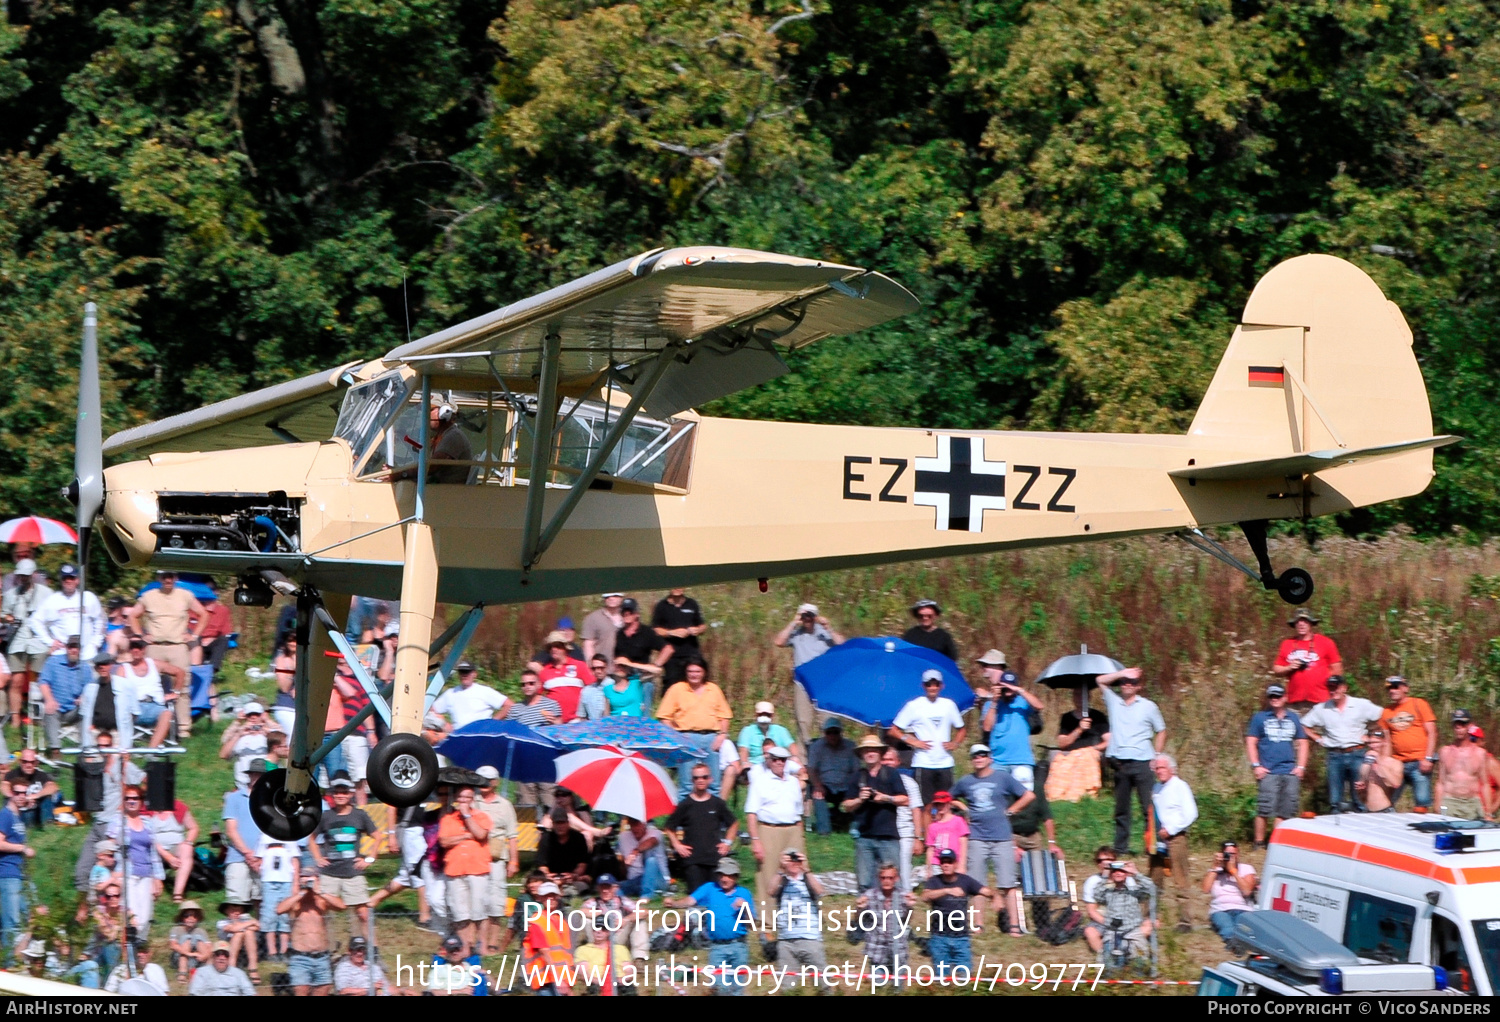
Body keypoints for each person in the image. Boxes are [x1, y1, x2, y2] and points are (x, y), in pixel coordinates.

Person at [950, 743, 1032, 934]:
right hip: (977, 837)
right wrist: (963, 808)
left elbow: (1028, 796)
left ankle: (1014, 925)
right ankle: (978, 925)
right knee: (977, 883)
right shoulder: (965, 781)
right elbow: (948, 797)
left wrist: (1011, 810)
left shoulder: (1003, 777)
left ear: (990, 758)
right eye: (975, 756)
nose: (979, 758)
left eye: (982, 755)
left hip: (1002, 837)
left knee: (1008, 883)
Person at [1096, 666, 1166, 853]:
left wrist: (1157, 756)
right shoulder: (1114, 701)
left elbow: (1161, 730)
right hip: (1120, 763)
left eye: (1132, 682)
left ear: (1139, 686)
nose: (1127, 685)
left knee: (1148, 808)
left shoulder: (1148, 706)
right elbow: (1100, 680)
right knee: (1122, 810)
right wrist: (1123, 673)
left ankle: (1154, 846)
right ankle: (1120, 848)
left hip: (1143, 762)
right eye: (1124, 682)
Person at [130, 571, 207, 739]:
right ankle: (151, 727)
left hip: (178, 646)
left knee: (182, 688)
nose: (167, 580)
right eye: (164, 577)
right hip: (154, 646)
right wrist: (141, 636)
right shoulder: (149, 596)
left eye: (170, 576)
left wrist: (194, 636)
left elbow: (203, 614)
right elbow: (133, 615)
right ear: (159, 578)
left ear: (175, 578)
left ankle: (183, 729)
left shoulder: (185, 595)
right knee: (149, 685)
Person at [666, 857, 755, 996]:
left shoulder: (744, 893)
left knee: (737, 989)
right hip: (717, 947)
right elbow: (690, 900)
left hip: (739, 946)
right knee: (719, 988)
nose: (724, 879)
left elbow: (751, 924)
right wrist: (674, 903)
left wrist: (745, 908)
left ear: (735, 877)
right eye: (721, 875)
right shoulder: (709, 888)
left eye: (728, 875)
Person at [1301, 674, 1383, 812]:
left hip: (1357, 754)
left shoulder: (1360, 704)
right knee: (1335, 801)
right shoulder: (1322, 709)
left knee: (1360, 798)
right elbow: (1303, 725)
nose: (1333, 691)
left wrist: (1372, 736)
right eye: (1330, 688)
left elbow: (1384, 716)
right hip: (1335, 756)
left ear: (1344, 688)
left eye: (1336, 687)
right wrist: (1318, 738)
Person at [656, 659, 732, 797]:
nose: (694, 675)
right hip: (687, 738)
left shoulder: (713, 689)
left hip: (711, 739)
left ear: (704, 672)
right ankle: (684, 817)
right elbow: (664, 717)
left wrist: (722, 735)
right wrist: (676, 737)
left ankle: (711, 816)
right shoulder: (677, 689)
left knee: (713, 783)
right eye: (690, 671)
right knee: (687, 784)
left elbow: (725, 716)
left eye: (697, 671)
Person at [889, 669, 967, 804]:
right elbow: (894, 730)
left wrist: (955, 743)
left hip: (945, 762)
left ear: (941, 686)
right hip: (923, 762)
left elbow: (961, 729)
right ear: (923, 686)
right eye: (929, 684)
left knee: (946, 802)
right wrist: (911, 741)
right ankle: (928, 826)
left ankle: (944, 826)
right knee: (927, 804)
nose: (932, 687)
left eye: (936, 684)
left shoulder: (949, 705)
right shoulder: (914, 705)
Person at [1245, 683, 1310, 845]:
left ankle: (1276, 842)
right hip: (1268, 771)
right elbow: (1251, 741)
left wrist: (1301, 767)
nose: (1275, 699)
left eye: (1278, 696)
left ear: (1285, 698)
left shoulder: (1293, 717)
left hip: (1290, 771)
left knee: (1286, 809)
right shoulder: (1260, 717)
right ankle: (1259, 842)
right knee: (1264, 808)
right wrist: (1256, 765)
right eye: (1271, 696)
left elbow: (1303, 742)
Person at [745, 745, 805, 918]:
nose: (779, 763)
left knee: (797, 872)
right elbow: (751, 813)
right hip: (769, 830)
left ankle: (797, 914)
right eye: (775, 759)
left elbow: (799, 811)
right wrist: (755, 839)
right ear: (769, 761)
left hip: (792, 829)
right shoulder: (760, 781)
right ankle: (768, 920)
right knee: (768, 874)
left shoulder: (793, 782)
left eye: (783, 760)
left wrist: (800, 836)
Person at [773, 603, 845, 747]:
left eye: (810, 616)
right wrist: (793, 622)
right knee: (803, 722)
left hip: (824, 682)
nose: (808, 619)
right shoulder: (796, 633)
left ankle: (829, 755)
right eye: (804, 616)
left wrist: (828, 627)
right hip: (802, 682)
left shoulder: (824, 633)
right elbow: (778, 641)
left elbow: (843, 644)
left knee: (828, 722)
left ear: (816, 616)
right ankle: (804, 761)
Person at [843, 735, 909, 891]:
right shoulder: (857, 777)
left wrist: (886, 798)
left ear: (880, 753)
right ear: (862, 755)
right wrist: (860, 799)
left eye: (874, 750)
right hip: (864, 837)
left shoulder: (892, 774)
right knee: (864, 882)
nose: (870, 753)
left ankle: (895, 914)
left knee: (893, 881)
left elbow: (905, 800)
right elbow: (846, 806)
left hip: (888, 836)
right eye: (867, 750)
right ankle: (866, 915)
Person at [311, 773, 376, 926]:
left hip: (353, 871)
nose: (340, 795)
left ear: (351, 793)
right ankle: (326, 948)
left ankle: (371, 948)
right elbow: (312, 839)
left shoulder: (359, 815)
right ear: (331, 794)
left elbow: (377, 836)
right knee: (322, 907)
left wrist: (369, 859)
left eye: (344, 792)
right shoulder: (325, 816)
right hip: (330, 871)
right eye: (336, 792)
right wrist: (318, 858)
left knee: (363, 913)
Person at [666, 764, 738, 892]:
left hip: (714, 859)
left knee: (715, 896)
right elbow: (669, 827)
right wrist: (677, 845)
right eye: (696, 778)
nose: (700, 780)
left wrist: (727, 843)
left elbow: (733, 823)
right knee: (697, 898)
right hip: (693, 860)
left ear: (710, 779)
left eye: (704, 777)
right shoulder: (685, 805)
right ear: (692, 780)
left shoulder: (717, 803)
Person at [438, 783, 492, 954]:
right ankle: (465, 946)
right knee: (460, 912)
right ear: (455, 798)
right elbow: (444, 841)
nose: (463, 801)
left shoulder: (481, 816)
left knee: (479, 911)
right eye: (460, 797)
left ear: (473, 799)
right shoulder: (448, 818)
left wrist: (467, 816)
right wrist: (466, 836)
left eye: (467, 797)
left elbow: (481, 834)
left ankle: (481, 945)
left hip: (477, 869)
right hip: (455, 870)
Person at [1149, 754, 1197, 932]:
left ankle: (1185, 920)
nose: (1159, 771)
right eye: (1157, 768)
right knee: (1154, 878)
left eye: (1162, 768)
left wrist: (1172, 829)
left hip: (1176, 838)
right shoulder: (1156, 789)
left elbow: (1191, 813)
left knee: (1180, 879)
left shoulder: (1180, 786)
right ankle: (1150, 916)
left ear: (1171, 769)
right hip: (1158, 840)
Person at [921, 848, 988, 973]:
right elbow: (925, 896)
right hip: (939, 937)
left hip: (961, 937)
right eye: (943, 862)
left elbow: (985, 891)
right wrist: (947, 891)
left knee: (964, 977)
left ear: (955, 863)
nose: (946, 865)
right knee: (942, 979)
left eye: (949, 862)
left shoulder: (965, 880)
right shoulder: (934, 881)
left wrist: (996, 897)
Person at [277, 875, 346, 996]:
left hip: (322, 957)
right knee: (302, 991)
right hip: (300, 958)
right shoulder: (296, 902)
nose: (308, 882)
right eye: (305, 878)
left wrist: (320, 891)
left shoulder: (321, 901)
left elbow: (342, 906)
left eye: (311, 879)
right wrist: (302, 891)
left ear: (317, 881)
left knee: (323, 989)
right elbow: (279, 909)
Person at [976, 652, 1043, 775]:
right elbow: (986, 727)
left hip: (1021, 759)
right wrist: (993, 700)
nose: (983, 669)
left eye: (986, 665)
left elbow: (1039, 706)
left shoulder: (1021, 700)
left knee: (1024, 793)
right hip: (998, 760)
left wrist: (1018, 689)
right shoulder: (992, 702)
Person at [475, 767, 519, 954]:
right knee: (478, 902)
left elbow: (513, 836)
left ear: (495, 782)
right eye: (481, 779)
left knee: (496, 902)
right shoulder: (472, 803)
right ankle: (480, 943)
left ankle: (492, 943)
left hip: (497, 858)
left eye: (488, 780)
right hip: (475, 857)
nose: (484, 783)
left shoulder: (505, 805)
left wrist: (514, 861)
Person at [3, 559, 52, 724]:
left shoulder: (46, 593)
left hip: (38, 640)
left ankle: (36, 717)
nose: (22, 578)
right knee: (16, 680)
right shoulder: (11, 595)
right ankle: (16, 717)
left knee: (38, 681)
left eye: (25, 575)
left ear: (33, 575)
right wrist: (10, 619)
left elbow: (52, 616)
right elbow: (3, 614)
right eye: (20, 575)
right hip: (18, 640)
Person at [769, 849, 826, 989]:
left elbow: (820, 891)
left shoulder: (809, 878)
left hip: (810, 938)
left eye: (797, 859)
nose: (794, 863)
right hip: (786, 941)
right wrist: (780, 869)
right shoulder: (781, 880)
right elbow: (770, 891)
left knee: (822, 984)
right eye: (791, 860)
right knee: (788, 987)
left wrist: (806, 869)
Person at [1380, 676, 1438, 809]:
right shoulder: (1386, 712)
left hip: (1419, 762)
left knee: (1422, 802)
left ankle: (1423, 828)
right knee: (1386, 802)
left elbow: (1432, 732)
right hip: (1398, 763)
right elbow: (1387, 741)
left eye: (1395, 687)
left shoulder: (1419, 704)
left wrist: (1428, 759)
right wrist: (1386, 762)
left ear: (1405, 688)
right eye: (1389, 688)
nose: (1392, 691)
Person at [112, 785, 164, 931]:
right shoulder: (118, 821)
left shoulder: (148, 822)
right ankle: (130, 947)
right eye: (127, 798)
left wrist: (157, 877)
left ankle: (137, 947)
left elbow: (153, 851)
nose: (131, 801)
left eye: (135, 798)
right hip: (127, 873)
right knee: (132, 915)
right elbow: (108, 846)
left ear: (141, 801)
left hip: (146, 873)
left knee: (146, 916)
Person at [855, 862, 915, 987]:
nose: (887, 881)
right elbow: (859, 921)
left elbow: (906, 921)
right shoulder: (870, 896)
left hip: (899, 950)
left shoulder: (903, 896)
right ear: (879, 878)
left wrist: (910, 908)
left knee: (898, 988)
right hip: (877, 950)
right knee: (879, 988)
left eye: (890, 878)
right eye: (883, 878)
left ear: (896, 878)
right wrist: (859, 909)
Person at [508, 670, 562, 807]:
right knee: (526, 801)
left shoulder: (550, 704)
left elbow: (561, 729)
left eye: (531, 683)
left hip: (545, 758)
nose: (527, 686)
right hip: (524, 760)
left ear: (538, 685)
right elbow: (510, 733)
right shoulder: (516, 709)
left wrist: (554, 722)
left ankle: (551, 826)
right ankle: (530, 828)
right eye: (523, 684)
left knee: (549, 796)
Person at [31, 563, 104, 662]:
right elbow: (35, 621)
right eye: (65, 578)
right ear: (61, 581)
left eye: (71, 578)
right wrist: (50, 641)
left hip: (87, 654)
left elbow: (99, 621)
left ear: (77, 580)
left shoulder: (88, 597)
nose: (68, 581)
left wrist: (96, 643)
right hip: (62, 655)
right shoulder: (52, 600)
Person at [222, 758, 268, 912]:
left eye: (260, 775)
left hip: (264, 858)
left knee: (264, 901)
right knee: (236, 902)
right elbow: (231, 830)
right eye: (254, 774)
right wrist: (248, 853)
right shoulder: (234, 798)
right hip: (238, 857)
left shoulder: (271, 799)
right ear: (249, 775)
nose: (257, 777)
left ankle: (261, 934)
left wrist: (260, 855)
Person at [1273, 608, 1344, 705]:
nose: (1301, 624)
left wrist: (1334, 691)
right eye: (1298, 621)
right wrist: (1289, 667)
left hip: (1321, 699)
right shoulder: (1287, 643)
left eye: (1305, 621)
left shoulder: (1326, 642)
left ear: (1311, 623)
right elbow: (1276, 669)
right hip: (1295, 699)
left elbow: (1337, 670)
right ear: (1294, 624)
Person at [1088, 860, 1155, 958]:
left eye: (1121, 871)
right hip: (1112, 932)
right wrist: (1106, 874)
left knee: (1140, 961)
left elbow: (1152, 888)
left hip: (1133, 931)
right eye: (1114, 871)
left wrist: (1135, 872)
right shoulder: (1108, 893)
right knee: (1108, 960)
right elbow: (1097, 894)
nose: (1118, 873)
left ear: (1126, 874)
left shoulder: (1134, 891)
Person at [36, 635, 90, 757]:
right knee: (50, 710)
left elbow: (90, 688)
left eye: (76, 647)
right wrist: (49, 699)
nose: (74, 650)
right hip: (56, 707)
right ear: (66, 648)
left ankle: (85, 749)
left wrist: (83, 697)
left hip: (74, 709)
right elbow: (43, 682)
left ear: (80, 650)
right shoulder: (53, 662)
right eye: (71, 647)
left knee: (86, 710)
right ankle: (56, 750)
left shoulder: (85, 667)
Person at [613, 597, 670, 708]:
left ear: (637, 614)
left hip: (642, 679)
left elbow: (668, 649)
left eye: (630, 612)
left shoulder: (647, 632)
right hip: (624, 678)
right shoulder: (619, 634)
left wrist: (655, 665)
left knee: (643, 711)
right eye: (624, 612)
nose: (627, 614)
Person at [0, 779, 35, 959]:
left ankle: (24, 959)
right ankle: (9, 964)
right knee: (11, 923)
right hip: (7, 874)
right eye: (18, 793)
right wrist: (22, 848)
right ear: (11, 794)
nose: (21, 796)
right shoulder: (5, 815)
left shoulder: (17, 816)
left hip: (21, 874)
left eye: (24, 793)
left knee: (34, 915)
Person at [807, 719, 860, 835]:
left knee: (860, 793)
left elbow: (856, 770)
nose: (832, 735)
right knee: (818, 795)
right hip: (825, 784)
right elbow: (811, 769)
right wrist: (817, 785)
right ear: (824, 733)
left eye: (835, 732)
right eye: (829, 732)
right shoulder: (816, 746)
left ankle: (855, 827)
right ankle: (824, 831)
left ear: (840, 732)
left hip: (845, 784)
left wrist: (854, 786)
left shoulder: (851, 746)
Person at [581, 872, 649, 962]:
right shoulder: (594, 901)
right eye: (602, 887)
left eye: (608, 887)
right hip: (600, 935)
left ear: (615, 888)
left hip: (619, 935)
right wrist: (600, 915)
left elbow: (644, 912)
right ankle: (594, 949)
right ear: (598, 888)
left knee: (640, 921)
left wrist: (625, 919)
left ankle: (639, 957)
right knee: (586, 920)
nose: (605, 891)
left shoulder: (622, 901)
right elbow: (581, 911)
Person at [148, 786, 199, 905]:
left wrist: (188, 842)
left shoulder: (178, 807)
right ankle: (154, 887)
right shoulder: (147, 809)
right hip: (154, 847)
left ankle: (178, 893)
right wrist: (168, 857)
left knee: (186, 849)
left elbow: (194, 828)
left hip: (175, 846)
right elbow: (145, 835)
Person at [1438, 709, 1491, 819]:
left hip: (1472, 803)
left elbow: (1486, 784)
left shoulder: (1480, 753)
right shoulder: (1445, 751)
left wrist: (1488, 812)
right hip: (1450, 802)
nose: (1459, 728)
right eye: (1456, 725)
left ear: (1469, 726)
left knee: (1473, 835)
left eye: (1463, 724)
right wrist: (1437, 807)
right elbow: (1440, 783)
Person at [885, 746, 924, 892]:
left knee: (903, 868)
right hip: (884, 831)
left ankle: (905, 900)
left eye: (890, 759)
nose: (887, 762)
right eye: (884, 759)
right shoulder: (875, 781)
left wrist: (917, 837)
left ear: (898, 762)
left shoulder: (908, 783)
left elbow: (916, 809)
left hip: (904, 831)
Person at [429, 661, 509, 731]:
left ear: (475, 674)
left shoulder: (484, 691)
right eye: (462, 672)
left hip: (481, 736)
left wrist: (492, 723)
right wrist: (444, 724)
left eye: (467, 672)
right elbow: (431, 711)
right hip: (458, 737)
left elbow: (509, 705)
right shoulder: (450, 693)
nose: (464, 675)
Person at [256, 835, 300, 962]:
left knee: (285, 916)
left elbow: (295, 860)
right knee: (269, 914)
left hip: (286, 880)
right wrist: (261, 870)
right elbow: (258, 858)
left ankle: (284, 950)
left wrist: (295, 883)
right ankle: (272, 951)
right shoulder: (263, 835)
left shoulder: (290, 837)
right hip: (268, 881)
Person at [1204, 840, 1257, 943]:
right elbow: (1205, 889)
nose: (1231, 857)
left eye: (1233, 854)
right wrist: (1215, 867)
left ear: (1238, 854)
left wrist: (1233, 871)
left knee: (1244, 929)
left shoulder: (1246, 869)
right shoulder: (1216, 871)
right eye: (1227, 854)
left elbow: (1247, 891)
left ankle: (1244, 944)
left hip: (1243, 909)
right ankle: (1233, 945)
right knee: (1227, 927)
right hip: (1221, 909)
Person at [520, 886, 570, 996]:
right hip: (547, 980)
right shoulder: (538, 921)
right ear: (540, 898)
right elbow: (544, 953)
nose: (551, 899)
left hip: (561, 979)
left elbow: (565, 955)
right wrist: (559, 980)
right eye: (547, 896)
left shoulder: (561, 922)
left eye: (554, 896)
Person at [652, 587, 706, 686]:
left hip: (692, 653)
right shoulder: (662, 606)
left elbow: (702, 626)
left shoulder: (692, 603)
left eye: (680, 586)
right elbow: (655, 630)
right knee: (672, 685)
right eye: (674, 586)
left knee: (695, 684)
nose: (677, 589)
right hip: (671, 656)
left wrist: (697, 630)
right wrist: (671, 632)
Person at [737, 701, 802, 781]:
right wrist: (744, 763)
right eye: (761, 714)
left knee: (797, 766)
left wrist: (795, 757)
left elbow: (792, 746)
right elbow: (743, 750)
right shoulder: (747, 731)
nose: (764, 717)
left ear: (772, 716)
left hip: (778, 764)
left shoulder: (780, 730)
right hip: (757, 765)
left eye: (767, 715)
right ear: (756, 715)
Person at [538, 633, 591, 722]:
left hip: (577, 720)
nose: (554, 649)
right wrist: (545, 714)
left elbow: (593, 689)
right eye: (551, 647)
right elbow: (536, 699)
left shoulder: (580, 666)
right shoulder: (545, 671)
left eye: (557, 646)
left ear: (565, 648)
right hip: (555, 722)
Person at [536, 810, 590, 896]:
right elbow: (542, 864)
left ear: (568, 823)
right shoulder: (546, 838)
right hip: (552, 877)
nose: (560, 826)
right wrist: (548, 876)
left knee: (582, 887)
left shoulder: (578, 838)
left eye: (562, 823)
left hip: (572, 878)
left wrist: (574, 875)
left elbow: (582, 864)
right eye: (557, 823)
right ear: (553, 825)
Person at [333, 935, 409, 995]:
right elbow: (343, 991)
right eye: (356, 950)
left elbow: (387, 988)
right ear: (349, 951)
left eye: (362, 950)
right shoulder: (343, 968)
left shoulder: (374, 967)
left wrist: (402, 991)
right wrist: (370, 989)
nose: (360, 953)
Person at [220, 700, 271, 789]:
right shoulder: (240, 736)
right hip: (243, 784)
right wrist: (239, 733)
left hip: (267, 782)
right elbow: (223, 755)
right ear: (245, 716)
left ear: (261, 715)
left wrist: (267, 729)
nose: (253, 717)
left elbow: (285, 749)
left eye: (257, 714)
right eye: (249, 715)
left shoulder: (269, 734)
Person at [616, 815, 668, 901]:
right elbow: (623, 868)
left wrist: (635, 851)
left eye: (637, 824)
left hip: (657, 878)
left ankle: (647, 895)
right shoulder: (623, 837)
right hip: (635, 880)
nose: (634, 828)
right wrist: (624, 864)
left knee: (651, 861)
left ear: (644, 824)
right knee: (616, 888)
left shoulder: (656, 833)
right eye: (632, 824)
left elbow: (651, 842)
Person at [575, 923, 632, 995]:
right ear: (592, 931)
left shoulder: (621, 949)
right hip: (596, 984)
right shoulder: (582, 950)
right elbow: (583, 974)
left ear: (608, 932)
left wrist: (620, 980)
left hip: (620, 984)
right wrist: (603, 982)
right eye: (596, 928)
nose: (599, 931)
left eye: (603, 929)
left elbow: (629, 971)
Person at [102, 931, 168, 993]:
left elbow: (164, 993)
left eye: (144, 951)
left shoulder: (156, 970)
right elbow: (108, 992)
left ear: (150, 954)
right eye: (138, 951)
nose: (140, 955)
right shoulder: (120, 971)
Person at [5, 749, 58, 826]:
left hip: (37, 810)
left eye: (32, 762)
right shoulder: (12, 774)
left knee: (50, 796)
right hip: (20, 811)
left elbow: (53, 786)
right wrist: (21, 799)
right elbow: (4, 787)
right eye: (25, 762)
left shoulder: (41, 774)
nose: (29, 765)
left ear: (36, 763)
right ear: (20, 761)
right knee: (7, 800)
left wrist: (35, 796)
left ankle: (48, 825)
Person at [188, 941, 256, 996]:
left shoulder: (239, 974)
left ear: (229, 957)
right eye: (218, 954)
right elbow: (194, 993)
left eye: (225, 955)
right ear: (213, 956)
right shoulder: (202, 972)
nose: (222, 958)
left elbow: (250, 993)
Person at [218, 900, 261, 984]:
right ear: (226, 911)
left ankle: (253, 967)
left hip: (245, 945)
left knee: (249, 932)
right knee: (239, 934)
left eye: (239, 910)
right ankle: (231, 968)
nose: (236, 912)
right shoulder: (222, 922)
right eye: (233, 910)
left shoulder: (245, 920)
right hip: (228, 946)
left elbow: (258, 927)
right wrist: (251, 922)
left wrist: (243, 926)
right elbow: (233, 929)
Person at [168, 900, 212, 982]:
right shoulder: (176, 929)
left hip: (198, 958)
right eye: (187, 916)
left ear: (197, 918)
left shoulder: (201, 931)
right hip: (180, 958)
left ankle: (209, 972)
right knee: (187, 939)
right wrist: (190, 954)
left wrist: (204, 955)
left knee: (199, 939)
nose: (190, 918)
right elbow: (173, 945)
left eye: (194, 916)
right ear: (182, 917)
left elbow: (209, 947)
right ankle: (182, 973)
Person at [924, 791, 968, 872]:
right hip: (937, 863)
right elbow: (930, 849)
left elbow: (963, 843)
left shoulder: (958, 821)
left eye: (943, 804)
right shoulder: (933, 826)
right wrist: (928, 869)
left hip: (954, 862)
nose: (940, 807)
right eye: (938, 804)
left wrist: (962, 865)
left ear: (949, 804)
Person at [581, 594, 625, 666]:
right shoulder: (593, 618)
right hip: (602, 669)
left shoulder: (628, 617)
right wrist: (592, 666)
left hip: (624, 669)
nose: (611, 598)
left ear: (621, 597)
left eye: (615, 595)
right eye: (607, 596)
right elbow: (588, 645)